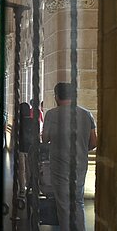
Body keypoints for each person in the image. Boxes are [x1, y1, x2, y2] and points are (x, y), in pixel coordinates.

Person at [42, 82, 97, 231]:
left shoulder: (52, 114)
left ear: (57, 96)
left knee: (63, 205)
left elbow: (45, 138)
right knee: (78, 202)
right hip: (79, 165)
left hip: (59, 166)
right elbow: (93, 142)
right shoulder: (86, 114)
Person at [18, 102, 33, 196]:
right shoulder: (33, 121)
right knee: (29, 168)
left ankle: (22, 189)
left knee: (21, 169)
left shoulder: (18, 122)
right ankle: (29, 187)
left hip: (20, 147)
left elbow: (14, 136)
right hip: (30, 148)